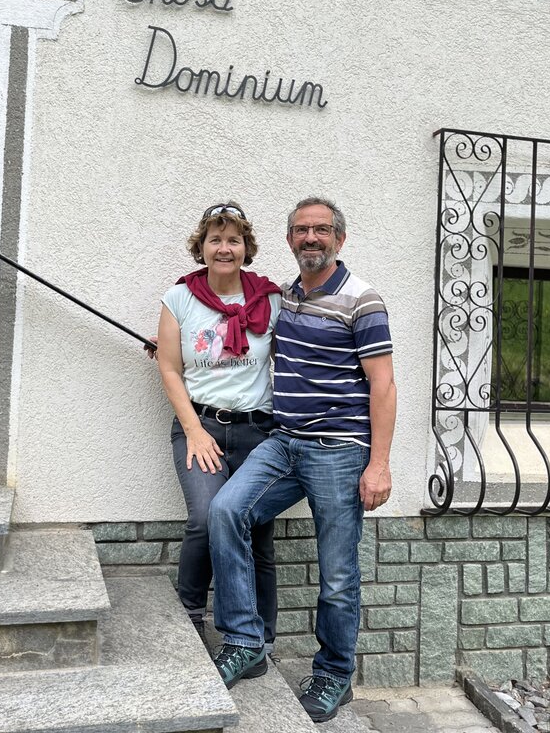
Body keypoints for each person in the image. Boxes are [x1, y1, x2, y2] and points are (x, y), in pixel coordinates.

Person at [208, 197, 396, 723]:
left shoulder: (363, 300)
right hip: (284, 442)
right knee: (226, 511)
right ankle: (245, 642)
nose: (311, 238)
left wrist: (379, 465)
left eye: (321, 230)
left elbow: (383, 385)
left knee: (336, 572)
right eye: (301, 230)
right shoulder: (286, 297)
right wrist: (175, 348)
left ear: (340, 238)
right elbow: (238, 330)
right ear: (290, 239)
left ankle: (334, 675)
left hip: (340, 451)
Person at [157, 202, 283, 653]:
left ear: (246, 247)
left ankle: (261, 638)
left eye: (233, 240)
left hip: (258, 431)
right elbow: (170, 368)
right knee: (205, 518)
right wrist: (194, 430)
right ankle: (192, 615)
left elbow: (291, 360)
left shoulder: (270, 300)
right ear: (202, 247)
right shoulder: (179, 299)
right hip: (201, 425)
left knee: (257, 531)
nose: (224, 248)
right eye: (215, 239)